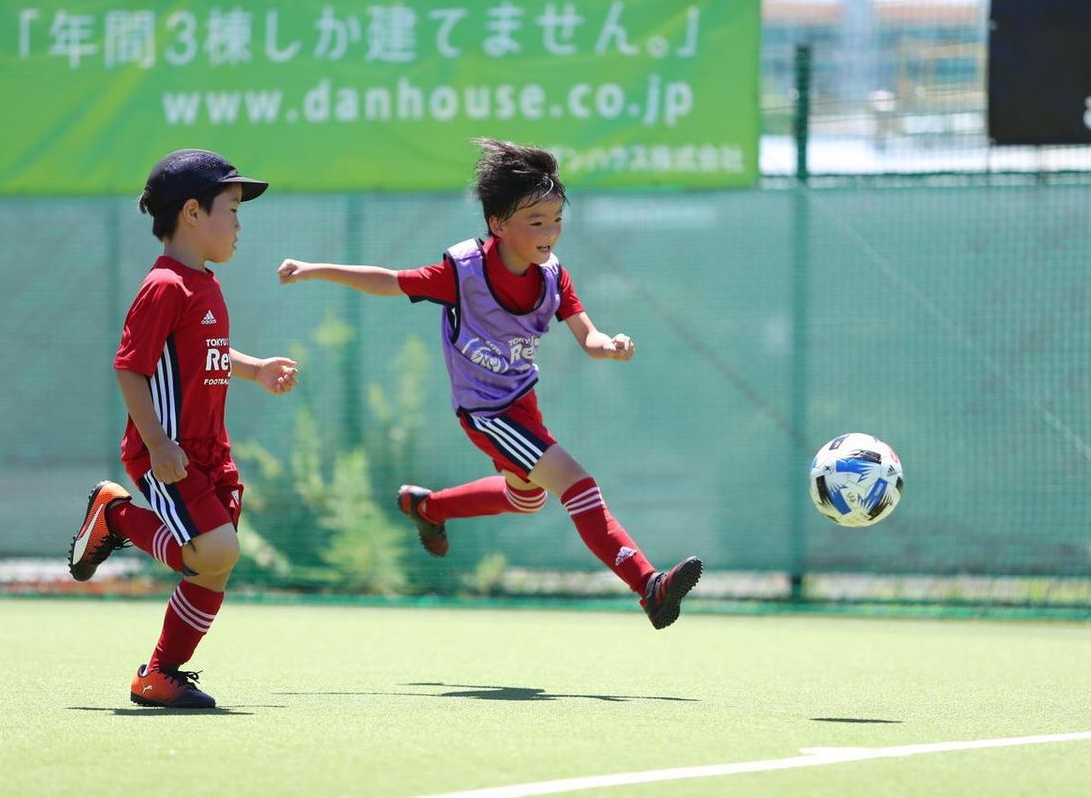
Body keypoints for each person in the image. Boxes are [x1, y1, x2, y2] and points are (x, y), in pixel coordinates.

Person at [276, 138, 701, 630]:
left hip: (522, 406)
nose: (550, 232)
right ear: (498, 225)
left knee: (526, 498)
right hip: (485, 414)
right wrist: (315, 270)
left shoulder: (553, 277)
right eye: (536, 222)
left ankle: (426, 506)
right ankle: (648, 585)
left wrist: (611, 345)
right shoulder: (462, 272)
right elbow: (389, 280)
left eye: (557, 219)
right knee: (578, 485)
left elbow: (589, 336)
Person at [67, 149, 299, 708]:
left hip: (209, 453)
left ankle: (161, 674)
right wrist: (157, 443)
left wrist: (255, 369)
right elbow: (129, 367)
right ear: (193, 213)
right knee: (216, 552)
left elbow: (206, 353)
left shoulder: (204, 284)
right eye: (233, 208)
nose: (239, 223)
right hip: (169, 453)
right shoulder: (165, 285)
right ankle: (116, 513)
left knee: (214, 567)